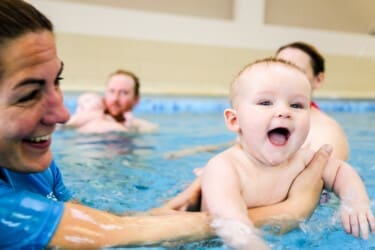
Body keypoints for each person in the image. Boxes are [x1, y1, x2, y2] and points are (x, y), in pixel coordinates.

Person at [0, 1, 334, 248]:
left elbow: (87, 219)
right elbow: (104, 236)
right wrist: (292, 209)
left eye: (57, 80)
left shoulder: (33, 161)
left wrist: (168, 208)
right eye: (29, 94)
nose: (61, 114)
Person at [199, 58, 374, 249]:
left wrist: (356, 201)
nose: (284, 111)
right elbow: (232, 225)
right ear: (234, 120)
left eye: (297, 105)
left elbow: (341, 171)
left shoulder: (303, 159)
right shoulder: (224, 168)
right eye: (265, 102)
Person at [164, 41, 349, 161]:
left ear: (318, 79)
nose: (285, 76)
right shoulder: (267, 117)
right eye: (279, 66)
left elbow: (319, 192)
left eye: (296, 69)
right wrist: (201, 150)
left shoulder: (327, 133)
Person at [102, 69, 159, 133]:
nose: (115, 99)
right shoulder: (91, 122)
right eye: (111, 91)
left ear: (136, 100)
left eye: (123, 93)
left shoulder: (146, 129)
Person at [65, 92, 130, 134]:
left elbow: (66, 124)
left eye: (88, 100)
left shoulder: (82, 117)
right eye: (86, 101)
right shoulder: (108, 119)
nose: (88, 102)